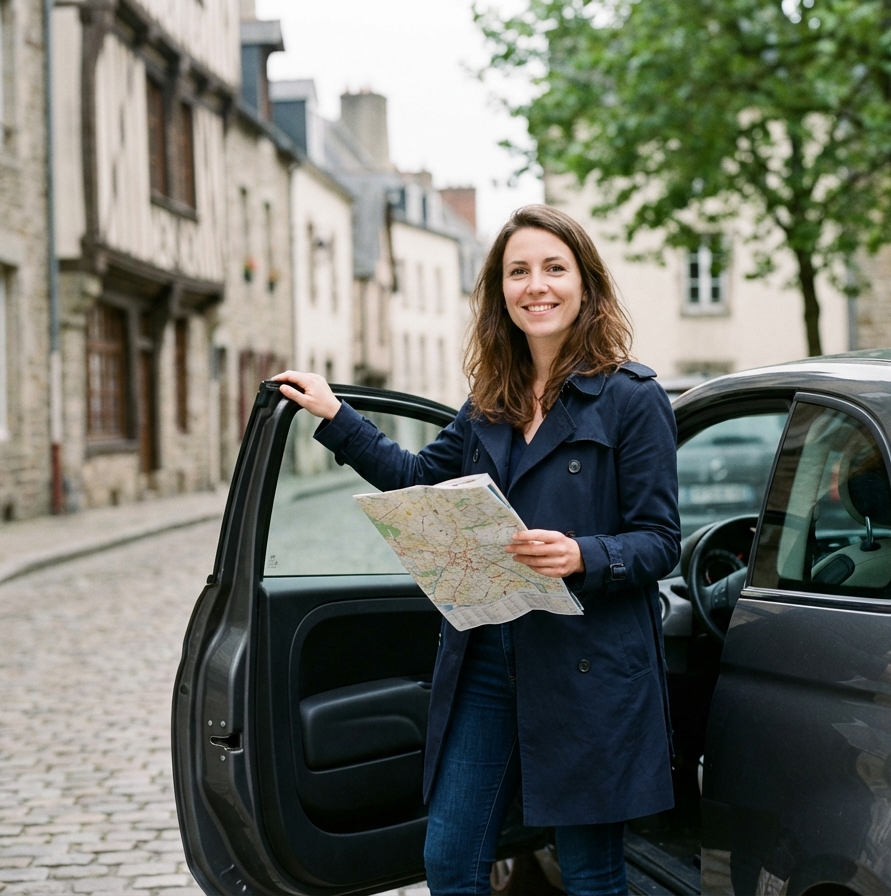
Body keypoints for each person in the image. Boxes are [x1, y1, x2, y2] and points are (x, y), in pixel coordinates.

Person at [273, 204, 680, 896]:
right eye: (518, 271)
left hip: (590, 669)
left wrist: (584, 554)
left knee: (590, 873)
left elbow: (660, 540)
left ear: (585, 283)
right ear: (500, 292)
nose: (536, 285)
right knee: (451, 859)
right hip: (491, 660)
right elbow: (418, 483)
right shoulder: (489, 401)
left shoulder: (631, 399)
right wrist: (339, 418)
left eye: (554, 268)